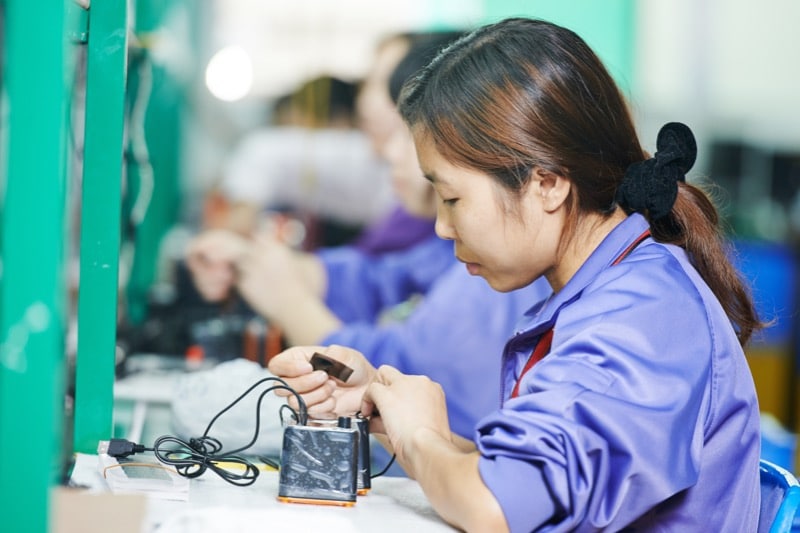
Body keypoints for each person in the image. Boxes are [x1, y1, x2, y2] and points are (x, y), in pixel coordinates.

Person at [267, 17, 764, 532]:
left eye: (451, 198)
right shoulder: (607, 292)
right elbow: (520, 484)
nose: (441, 227)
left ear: (547, 184)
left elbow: (496, 507)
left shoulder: (641, 318)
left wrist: (420, 437)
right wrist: (386, 409)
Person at [185, 30, 550, 442]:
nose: (388, 153)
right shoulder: (441, 243)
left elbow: (416, 372)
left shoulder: (504, 268)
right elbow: (375, 279)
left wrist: (290, 303)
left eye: (401, 131)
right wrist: (250, 260)